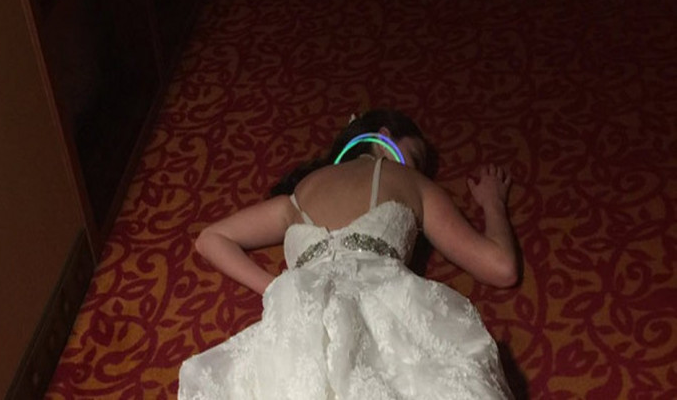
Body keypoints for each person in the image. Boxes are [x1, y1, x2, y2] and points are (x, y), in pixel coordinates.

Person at [178, 109, 518, 399]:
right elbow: (501, 267)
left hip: (304, 322)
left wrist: (278, 289)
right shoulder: (410, 181)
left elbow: (211, 238)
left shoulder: (300, 193)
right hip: (386, 307)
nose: (416, 169)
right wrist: (492, 202)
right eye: (415, 158)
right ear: (384, 136)